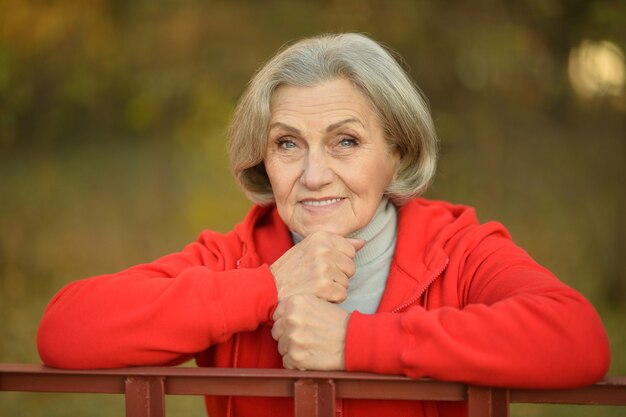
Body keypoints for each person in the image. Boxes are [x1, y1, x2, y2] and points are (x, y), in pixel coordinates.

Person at [37, 33, 610, 417]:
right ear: (262, 158)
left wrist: (356, 342)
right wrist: (269, 286)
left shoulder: (456, 248)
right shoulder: (235, 256)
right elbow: (66, 330)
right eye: (288, 143)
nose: (314, 175)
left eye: (346, 141)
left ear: (399, 152)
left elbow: (576, 339)